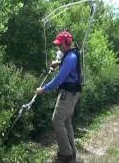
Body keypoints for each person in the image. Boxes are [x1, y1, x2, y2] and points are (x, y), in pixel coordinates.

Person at [36, 31, 82, 163]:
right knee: (66, 122)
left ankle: (66, 154)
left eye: (60, 44)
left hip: (68, 94)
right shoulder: (70, 55)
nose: (58, 47)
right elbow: (66, 62)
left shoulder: (71, 57)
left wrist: (44, 89)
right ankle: (71, 152)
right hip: (71, 93)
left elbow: (60, 78)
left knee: (57, 120)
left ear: (67, 43)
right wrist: (58, 62)